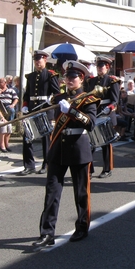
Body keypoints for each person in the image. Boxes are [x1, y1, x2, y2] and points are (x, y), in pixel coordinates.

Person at [34, 61, 98, 248]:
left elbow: (90, 123)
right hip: (58, 148)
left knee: (81, 193)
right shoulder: (59, 98)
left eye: (73, 77)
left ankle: (82, 227)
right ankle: (47, 233)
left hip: (78, 148)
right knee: (52, 192)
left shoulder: (89, 99)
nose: (68, 80)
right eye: (66, 76)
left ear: (81, 79)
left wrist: (70, 111)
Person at [21, 50, 60, 175]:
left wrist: (51, 99)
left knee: (45, 139)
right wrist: (25, 105)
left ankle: (46, 163)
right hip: (32, 109)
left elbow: (57, 93)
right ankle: (29, 165)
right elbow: (27, 95)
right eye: (36, 60)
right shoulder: (31, 76)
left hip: (45, 109)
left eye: (40, 60)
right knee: (27, 137)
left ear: (45, 61)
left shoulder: (50, 75)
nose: (38, 62)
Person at [86, 56, 120, 178]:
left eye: (102, 66)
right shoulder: (91, 81)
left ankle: (107, 169)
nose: (100, 68)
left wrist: (109, 108)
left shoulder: (112, 81)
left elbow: (115, 100)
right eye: (98, 66)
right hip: (94, 112)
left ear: (107, 67)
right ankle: (89, 169)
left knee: (106, 143)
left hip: (106, 113)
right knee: (91, 142)